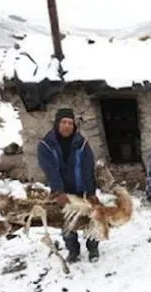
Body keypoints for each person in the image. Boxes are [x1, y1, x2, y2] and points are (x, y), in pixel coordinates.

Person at [37, 107, 99, 263]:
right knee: (66, 222)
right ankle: (73, 251)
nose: (67, 126)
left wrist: (91, 192)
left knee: (91, 219)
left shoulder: (82, 144)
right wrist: (58, 192)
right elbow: (50, 170)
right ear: (57, 124)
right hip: (62, 192)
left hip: (81, 190)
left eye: (70, 123)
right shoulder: (46, 145)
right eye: (64, 122)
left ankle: (93, 247)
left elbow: (88, 168)